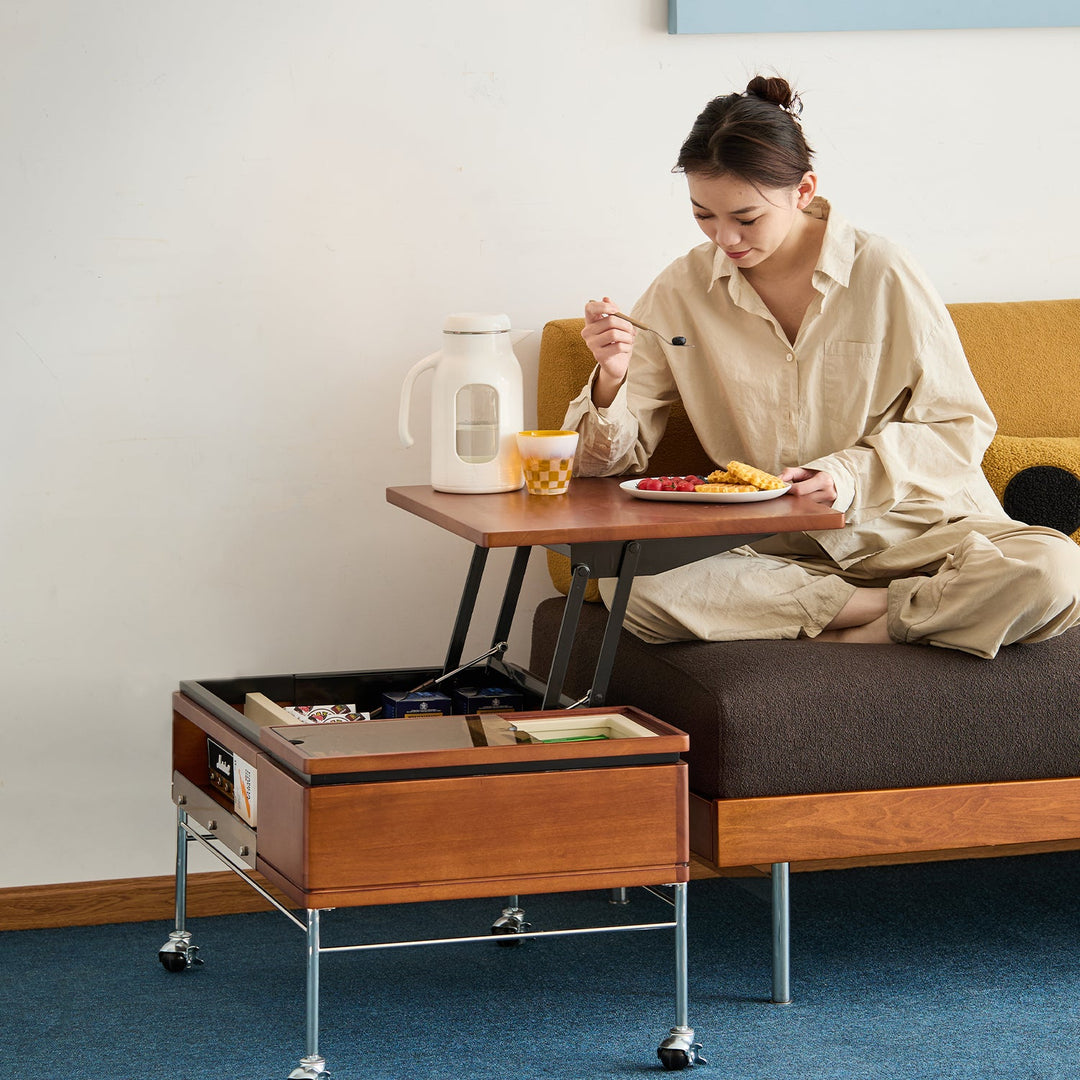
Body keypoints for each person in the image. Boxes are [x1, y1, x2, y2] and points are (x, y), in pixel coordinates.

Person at [564, 75, 1080, 658]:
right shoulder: (680, 289)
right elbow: (599, 467)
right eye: (702, 214)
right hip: (773, 544)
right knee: (629, 586)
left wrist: (849, 475)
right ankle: (889, 614)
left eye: (747, 217)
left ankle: (847, 619)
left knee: (1057, 570)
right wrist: (610, 378)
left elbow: (959, 426)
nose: (724, 237)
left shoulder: (881, 270)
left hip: (917, 532)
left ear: (804, 189)